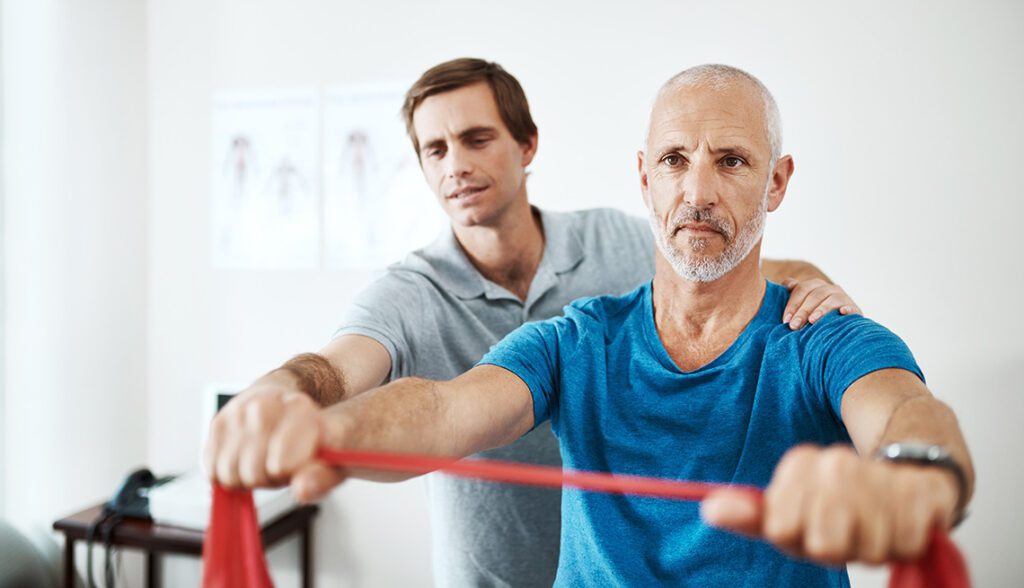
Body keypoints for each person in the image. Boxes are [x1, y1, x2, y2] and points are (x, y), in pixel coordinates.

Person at [204, 59, 865, 586]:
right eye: (434, 149)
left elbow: (722, 245)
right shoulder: (410, 290)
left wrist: (819, 293)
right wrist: (282, 401)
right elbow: (351, 374)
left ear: (527, 146)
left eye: (475, 138)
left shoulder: (610, 240)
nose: (454, 165)